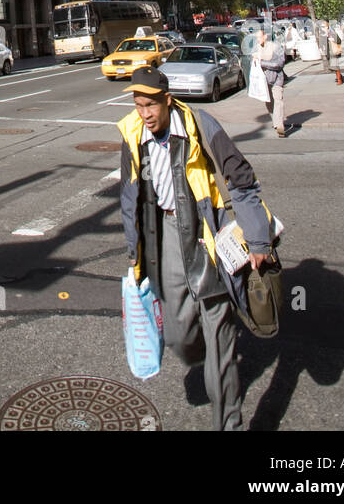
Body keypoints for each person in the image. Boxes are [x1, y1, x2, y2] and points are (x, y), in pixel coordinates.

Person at [118, 66, 276, 431]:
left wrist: (257, 238)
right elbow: (129, 197)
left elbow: (241, 178)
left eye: (150, 106)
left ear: (167, 100)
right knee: (180, 337)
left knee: (218, 335)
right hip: (167, 234)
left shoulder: (199, 124)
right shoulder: (131, 133)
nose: (144, 114)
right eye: (138, 105)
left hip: (207, 234)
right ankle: (206, 352)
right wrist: (135, 252)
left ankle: (229, 423)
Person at [253, 28, 297, 136]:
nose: (258, 40)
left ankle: (280, 125)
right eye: (256, 38)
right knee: (268, 102)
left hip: (277, 78)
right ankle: (276, 121)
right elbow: (254, 64)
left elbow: (280, 63)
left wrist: (262, 62)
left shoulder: (275, 47)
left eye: (259, 37)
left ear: (265, 37)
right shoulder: (257, 49)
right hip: (263, 80)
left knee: (278, 100)